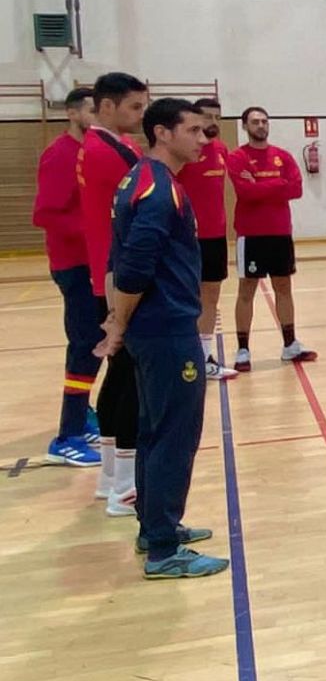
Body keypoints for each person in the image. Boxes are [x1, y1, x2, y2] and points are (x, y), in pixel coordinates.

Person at [97, 98, 228, 579]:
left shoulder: (140, 180)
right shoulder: (156, 190)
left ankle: (155, 528)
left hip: (153, 329)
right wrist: (119, 324)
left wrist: (118, 320)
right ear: (162, 134)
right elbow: (132, 266)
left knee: (154, 430)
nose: (203, 138)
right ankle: (164, 550)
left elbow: (118, 262)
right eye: (193, 130)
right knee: (175, 435)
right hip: (166, 330)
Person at [78, 72, 149, 515]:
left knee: (117, 376)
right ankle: (125, 485)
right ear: (107, 107)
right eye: (135, 108)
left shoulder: (107, 148)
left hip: (109, 273)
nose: (140, 117)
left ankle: (110, 476)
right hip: (117, 276)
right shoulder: (108, 153)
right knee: (130, 380)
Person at [32, 87, 102, 467]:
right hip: (73, 264)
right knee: (84, 343)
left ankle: (83, 414)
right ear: (74, 113)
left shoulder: (92, 152)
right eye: (93, 109)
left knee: (94, 343)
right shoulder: (59, 155)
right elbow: (46, 213)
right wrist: (94, 229)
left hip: (95, 263)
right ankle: (68, 435)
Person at [228, 107, 317, 371]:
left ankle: (290, 345)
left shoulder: (283, 156)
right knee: (247, 291)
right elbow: (246, 193)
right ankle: (243, 349)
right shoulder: (237, 157)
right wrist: (278, 185)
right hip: (251, 234)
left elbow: (297, 189)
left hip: (280, 233)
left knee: (284, 288)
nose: (261, 125)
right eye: (255, 122)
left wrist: (260, 185)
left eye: (264, 121)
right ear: (245, 126)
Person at [174, 98, 237, 380]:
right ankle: (182, 357)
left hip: (216, 235)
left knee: (211, 296)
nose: (213, 122)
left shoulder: (222, 149)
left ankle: (204, 357)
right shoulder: (185, 152)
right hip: (187, 236)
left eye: (217, 117)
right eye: (207, 117)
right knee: (185, 297)